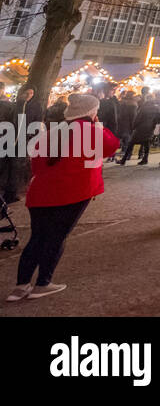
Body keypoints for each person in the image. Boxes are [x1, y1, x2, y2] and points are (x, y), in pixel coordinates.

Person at [7, 93, 119, 301]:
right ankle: (43, 283)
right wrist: (99, 126)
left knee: (37, 238)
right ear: (92, 112)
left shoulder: (52, 132)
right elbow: (112, 147)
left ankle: (21, 285)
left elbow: (37, 165)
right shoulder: (92, 131)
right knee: (56, 238)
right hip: (74, 194)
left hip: (41, 194)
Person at [118, 88, 160, 165]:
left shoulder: (144, 108)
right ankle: (145, 159)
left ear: (147, 99)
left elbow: (138, 118)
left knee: (131, 143)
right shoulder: (156, 108)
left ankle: (124, 160)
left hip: (141, 128)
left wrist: (134, 126)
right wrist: (153, 127)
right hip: (150, 128)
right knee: (146, 144)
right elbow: (157, 119)